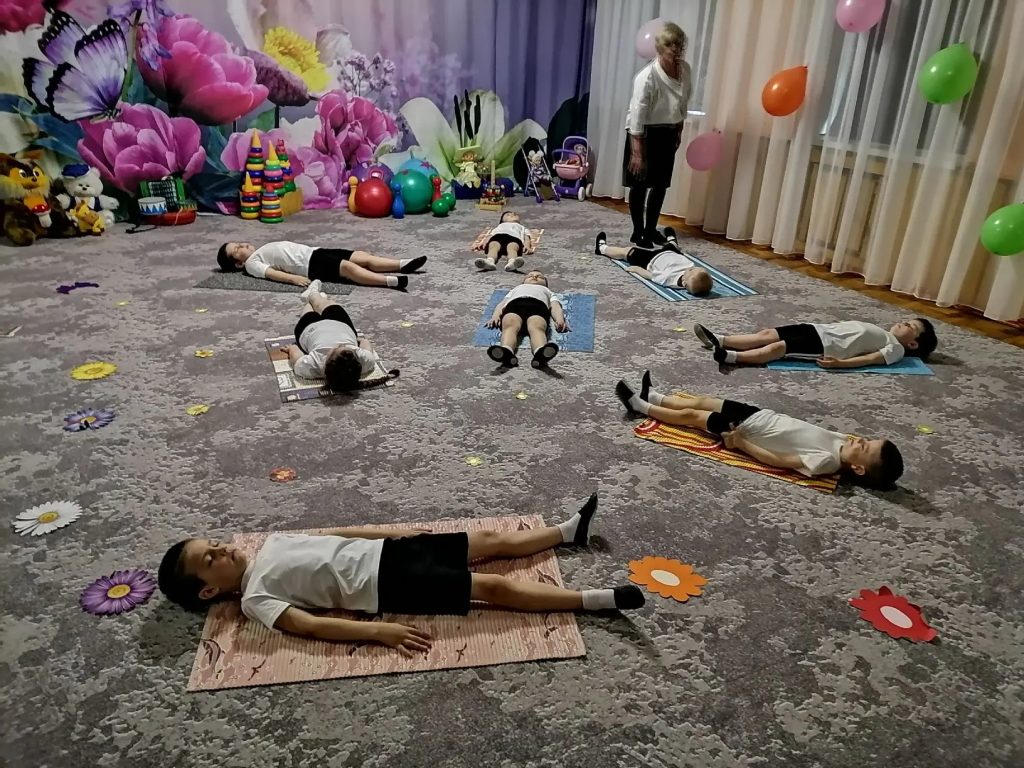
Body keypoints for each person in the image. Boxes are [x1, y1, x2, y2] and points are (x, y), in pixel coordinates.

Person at [156, 493, 645, 655]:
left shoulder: (270, 543)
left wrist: (390, 532)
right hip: (387, 586)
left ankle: (567, 532)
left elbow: (337, 533)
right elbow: (310, 626)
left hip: (390, 551)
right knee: (492, 588)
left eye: (212, 543)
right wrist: (378, 633)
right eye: (209, 559)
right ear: (209, 589)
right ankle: (596, 600)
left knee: (490, 540)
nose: (220, 548)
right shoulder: (254, 599)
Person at [614, 371, 904, 488]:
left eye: (865, 447)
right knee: (702, 400)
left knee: (693, 416)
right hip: (761, 415)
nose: (861, 440)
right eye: (868, 439)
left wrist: (740, 443)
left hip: (747, 431)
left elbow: (779, 461)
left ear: (858, 469)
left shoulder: (826, 461)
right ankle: (656, 397)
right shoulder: (843, 442)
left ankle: (641, 407)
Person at [623, 21, 691, 248]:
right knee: (640, 184)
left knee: (660, 185)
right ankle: (638, 231)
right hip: (643, 133)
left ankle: (651, 229)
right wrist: (637, 153)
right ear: (661, 47)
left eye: (679, 44)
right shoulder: (647, 77)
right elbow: (637, 116)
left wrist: (678, 130)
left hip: (667, 132)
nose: (676, 49)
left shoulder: (685, 70)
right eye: (671, 45)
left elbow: (682, 102)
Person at [692, 317, 937, 369]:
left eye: (910, 326)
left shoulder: (896, 348)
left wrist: (841, 363)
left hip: (826, 346)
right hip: (818, 329)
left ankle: (732, 357)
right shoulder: (882, 331)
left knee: (778, 349)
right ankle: (721, 339)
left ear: (913, 344)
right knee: (767, 334)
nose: (903, 323)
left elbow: (871, 359)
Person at [217, 240, 425, 290]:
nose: (242, 245)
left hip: (315, 252)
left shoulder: (260, 250)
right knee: (348, 269)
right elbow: (271, 273)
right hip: (309, 265)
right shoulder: (251, 264)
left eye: (238, 243)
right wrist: (293, 279)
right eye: (237, 250)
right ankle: (389, 281)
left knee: (361, 257)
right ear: (238, 264)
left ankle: (402, 264)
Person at [284, 281, 376, 390]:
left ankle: (311, 296)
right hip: (340, 323)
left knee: (309, 308)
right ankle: (315, 295)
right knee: (327, 303)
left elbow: (295, 354)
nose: (339, 344)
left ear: (326, 362)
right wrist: (359, 340)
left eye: (337, 347)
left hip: (310, 328)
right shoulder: (365, 361)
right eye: (344, 346)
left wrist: (290, 348)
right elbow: (366, 342)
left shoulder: (312, 366)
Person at [485, 270, 568, 368]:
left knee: (537, 327)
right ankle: (506, 351)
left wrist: (559, 319)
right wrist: (495, 316)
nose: (534, 277)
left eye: (540, 277)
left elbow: (555, 306)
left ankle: (540, 352)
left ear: (546, 284)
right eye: (530, 276)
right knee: (509, 324)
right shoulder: (516, 288)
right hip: (515, 305)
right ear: (523, 281)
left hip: (538, 306)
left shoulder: (548, 291)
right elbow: (502, 303)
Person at [595, 227, 712, 295]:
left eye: (691, 270)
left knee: (627, 252)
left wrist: (636, 269)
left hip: (651, 259)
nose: (691, 267)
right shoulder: (692, 273)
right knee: (672, 246)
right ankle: (672, 240)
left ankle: (602, 248)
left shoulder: (668, 279)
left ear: (685, 283)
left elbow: (650, 276)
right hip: (672, 253)